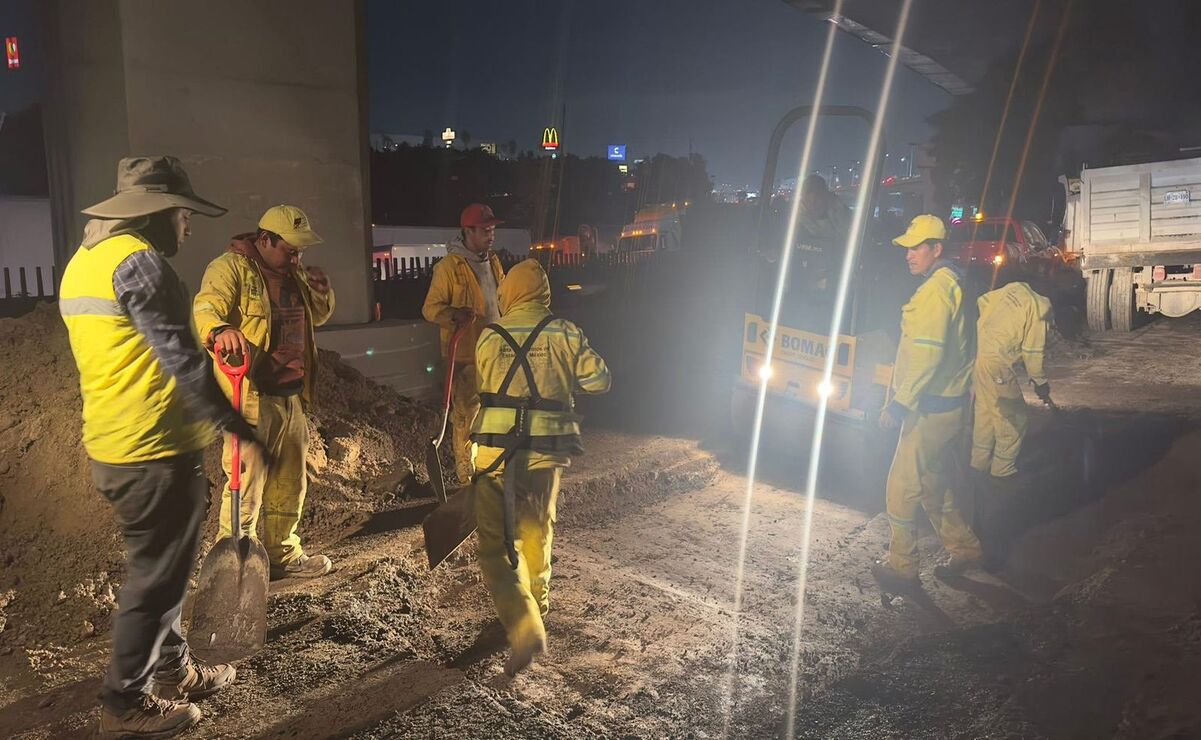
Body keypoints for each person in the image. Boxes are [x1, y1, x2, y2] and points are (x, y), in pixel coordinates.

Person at [59, 156, 253, 737]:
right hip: (153, 449)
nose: (188, 226)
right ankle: (125, 704)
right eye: (184, 214)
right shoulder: (139, 265)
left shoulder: (84, 262)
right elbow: (180, 357)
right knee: (158, 579)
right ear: (158, 213)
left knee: (161, 569)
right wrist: (235, 423)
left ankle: (173, 669)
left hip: (116, 444)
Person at [470, 259, 611, 675]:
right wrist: (562, 373)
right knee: (537, 529)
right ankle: (538, 604)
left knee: (497, 545)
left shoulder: (489, 336)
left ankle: (523, 620)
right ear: (544, 294)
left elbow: (486, 390)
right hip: (546, 451)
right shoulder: (565, 332)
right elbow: (600, 381)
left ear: (508, 294)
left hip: (495, 454)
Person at [193, 205, 336, 579]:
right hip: (251, 395)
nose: (297, 256)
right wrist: (219, 330)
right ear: (265, 239)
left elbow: (316, 317)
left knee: (291, 482)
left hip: (291, 395)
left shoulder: (295, 273)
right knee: (247, 480)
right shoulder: (230, 268)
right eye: (290, 249)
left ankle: (280, 555)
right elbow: (207, 306)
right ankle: (235, 565)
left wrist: (322, 292)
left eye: (300, 251)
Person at [873, 214, 983, 590]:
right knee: (934, 484)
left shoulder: (936, 290)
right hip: (948, 406)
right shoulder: (951, 284)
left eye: (917, 247)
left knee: (901, 486)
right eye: (907, 247)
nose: (909, 254)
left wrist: (899, 404)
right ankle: (965, 548)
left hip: (930, 408)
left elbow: (927, 355)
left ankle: (902, 566)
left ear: (937, 248)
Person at [422, 203, 507, 484]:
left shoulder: (493, 262)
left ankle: (491, 468)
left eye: (493, 229)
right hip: (465, 354)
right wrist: (454, 315)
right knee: (466, 417)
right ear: (468, 231)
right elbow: (430, 309)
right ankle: (466, 475)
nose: (491, 234)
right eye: (485, 230)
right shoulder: (448, 268)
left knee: (495, 412)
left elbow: (503, 300)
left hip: (494, 351)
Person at [972, 281, 1054, 479]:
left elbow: (982, 301)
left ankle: (978, 464)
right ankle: (1003, 469)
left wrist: (993, 334)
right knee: (1014, 419)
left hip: (981, 354)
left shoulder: (1015, 287)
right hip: (997, 364)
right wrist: (1040, 382)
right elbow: (1033, 352)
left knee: (986, 412)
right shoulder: (1041, 309)